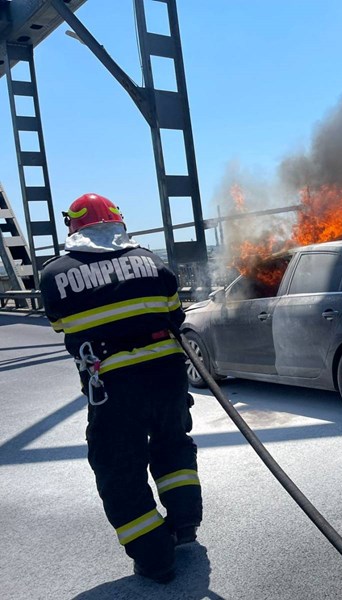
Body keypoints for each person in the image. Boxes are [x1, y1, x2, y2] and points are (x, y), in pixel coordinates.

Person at [39, 193, 202, 584]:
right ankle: (185, 523)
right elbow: (175, 313)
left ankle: (156, 559)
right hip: (167, 377)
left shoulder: (54, 274)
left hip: (114, 387)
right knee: (172, 445)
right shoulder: (152, 261)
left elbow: (62, 326)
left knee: (118, 468)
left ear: (74, 226)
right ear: (118, 222)